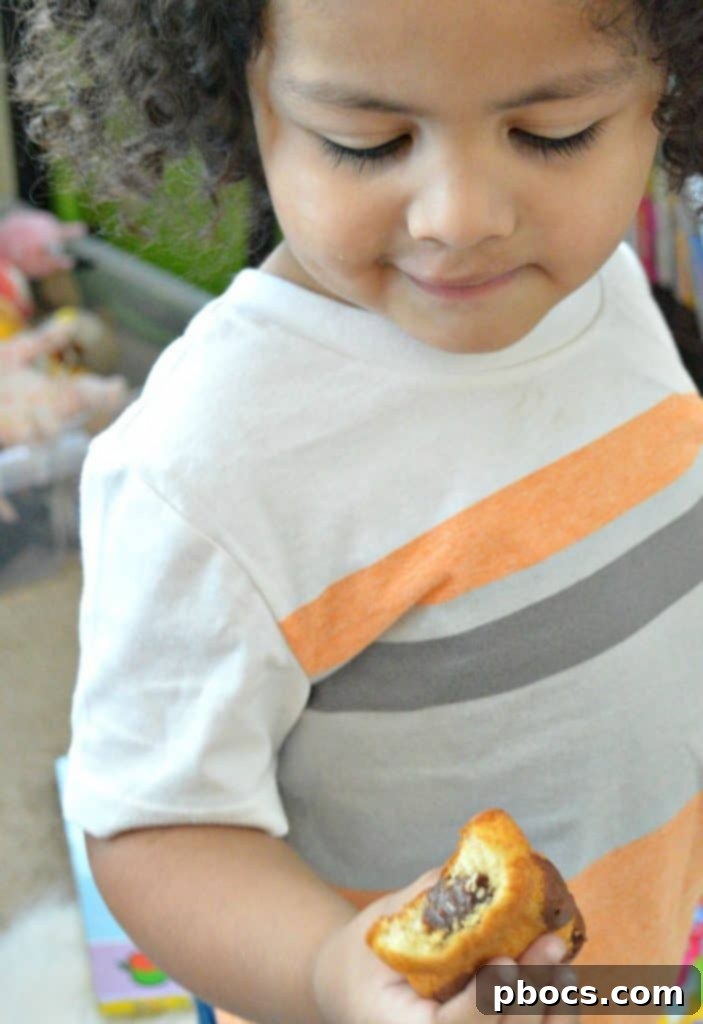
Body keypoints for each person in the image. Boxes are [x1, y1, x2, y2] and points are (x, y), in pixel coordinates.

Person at [12, 2, 703, 1023]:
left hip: (638, 972)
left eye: (552, 135)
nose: (459, 216)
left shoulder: (600, 286)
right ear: (241, 96)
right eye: (366, 143)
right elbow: (157, 827)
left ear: (665, 98)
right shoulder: (206, 465)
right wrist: (325, 974)